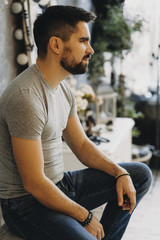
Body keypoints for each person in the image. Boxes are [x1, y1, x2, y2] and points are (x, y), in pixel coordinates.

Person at [0, 5, 152, 240]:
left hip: (61, 184)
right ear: (56, 45)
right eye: (83, 41)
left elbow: (80, 144)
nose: (90, 49)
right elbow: (34, 183)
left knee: (139, 175)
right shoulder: (26, 98)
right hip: (26, 205)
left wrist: (120, 173)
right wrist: (86, 217)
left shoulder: (63, 88)